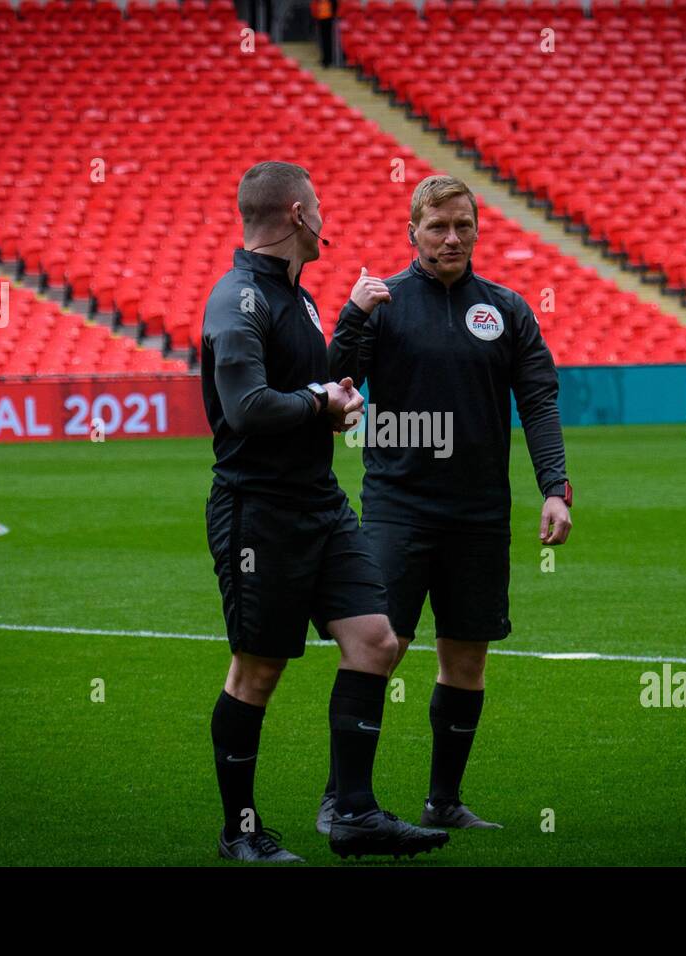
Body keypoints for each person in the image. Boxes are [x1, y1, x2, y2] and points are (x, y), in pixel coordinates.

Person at [201, 160, 449, 862]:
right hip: (259, 513)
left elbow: (304, 392)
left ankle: (353, 813)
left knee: (377, 641)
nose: (326, 220)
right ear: (298, 215)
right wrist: (322, 404)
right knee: (257, 672)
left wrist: (331, 399)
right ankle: (238, 832)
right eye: (320, 208)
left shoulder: (297, 297)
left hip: (319, 503)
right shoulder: (238, 300)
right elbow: (248, 409)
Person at [321, 174, 572, 833]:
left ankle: (444, 803)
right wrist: (352, 315)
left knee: (467, 657)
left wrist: (554, 487)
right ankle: (344, 798)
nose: (452, 237)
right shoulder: (385, 303)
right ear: (413, 233)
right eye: (438, 227)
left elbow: (539, 401)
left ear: (476, 229)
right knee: (380, 645)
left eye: (462, 225)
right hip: (398, 508)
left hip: (481, 514)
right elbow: (336, 383)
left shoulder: (508, 309)